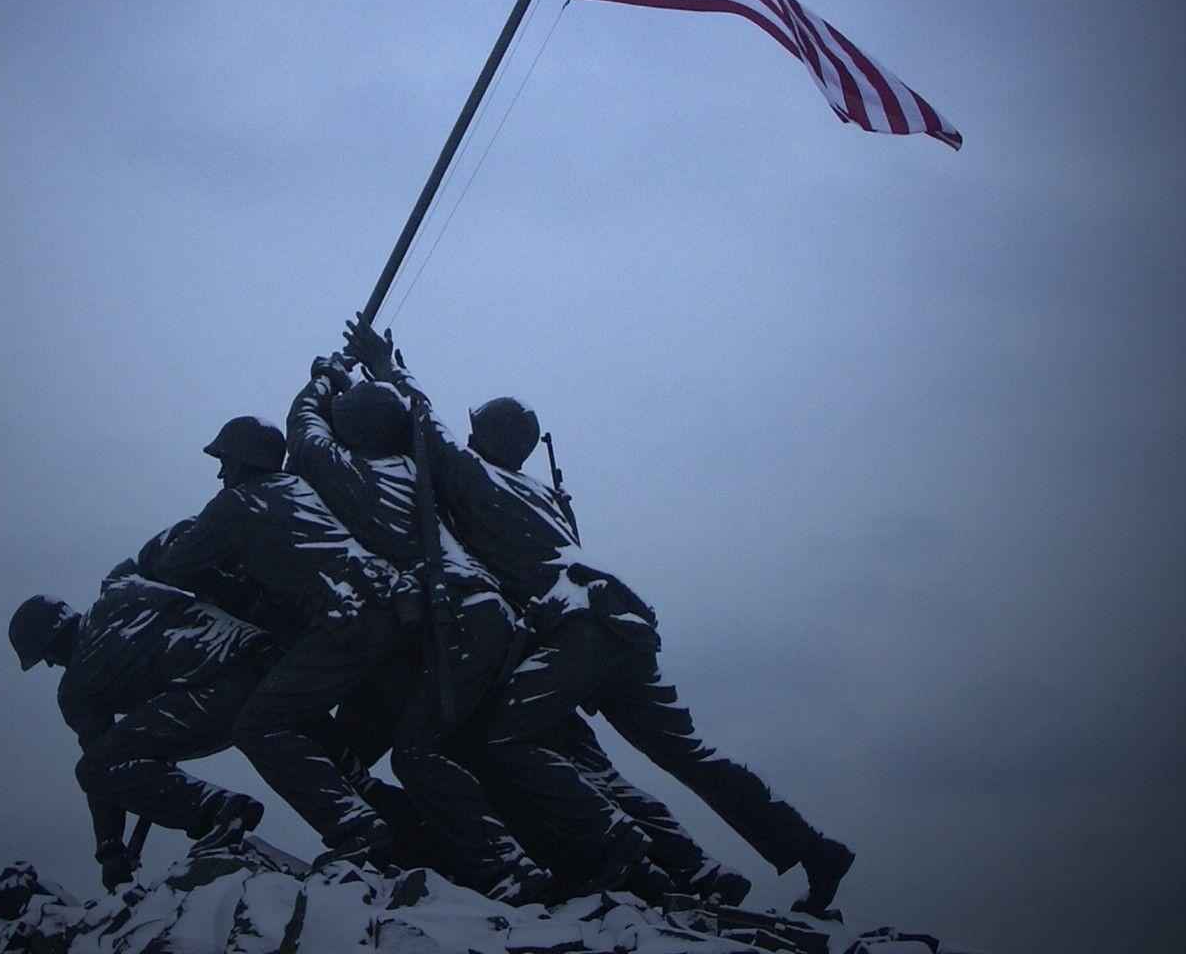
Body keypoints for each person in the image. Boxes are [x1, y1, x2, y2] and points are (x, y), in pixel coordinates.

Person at [345, 321, 853, 919]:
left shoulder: (477, 479)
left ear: (487, 437)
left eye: (478, 426)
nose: (471, 433)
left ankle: (617, 843)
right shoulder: (540, 496)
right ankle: (811, 848)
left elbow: (426, 425)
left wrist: (383, 367)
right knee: (687, 752)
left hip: (577, 628)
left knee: (503, 737)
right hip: (621, 623)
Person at [286, 354, 551, 904]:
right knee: (365, 740)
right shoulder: (419, 467)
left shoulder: (351, 472)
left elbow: (303, 432)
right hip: (474, 619)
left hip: (459, 619)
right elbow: (419, 422)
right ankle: (423, 843)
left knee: (417, 753)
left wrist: (324, 379)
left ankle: (507, 868)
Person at [136, 414, 417, 869]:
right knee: (332, 746)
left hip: (349, 623)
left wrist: (159, 551)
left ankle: (360, 831)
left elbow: (174, 568)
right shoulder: (299, 490)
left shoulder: (238, 506)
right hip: (381, 616)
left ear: (244, 463)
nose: (221, 473)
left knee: (259, 726)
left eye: (225, 461)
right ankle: (406, 823)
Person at [8, 561, 273, 892]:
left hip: (217, 693)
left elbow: (102, 770)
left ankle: (218, 810)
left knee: (94, 767)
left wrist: (110, 849)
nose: (49, 663)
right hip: (265, 658)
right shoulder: (120, 588)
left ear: (53, 638)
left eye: (44, 655)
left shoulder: (76, 686)